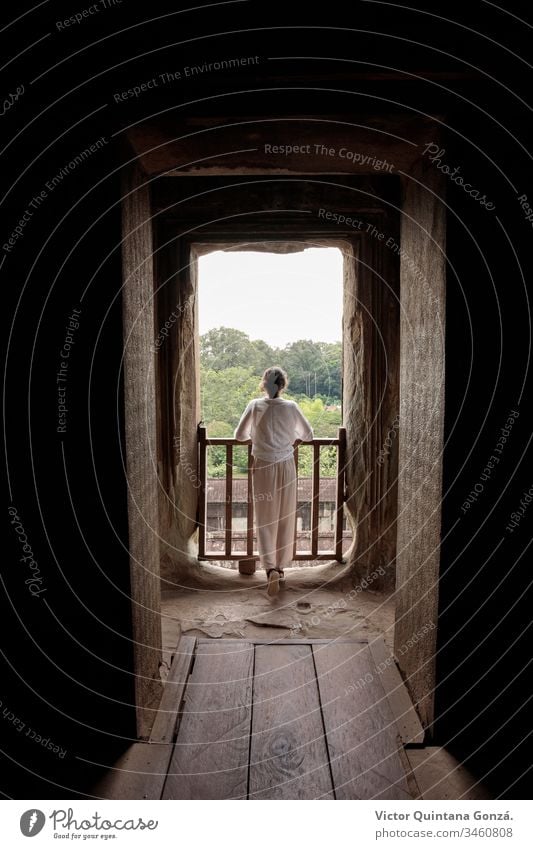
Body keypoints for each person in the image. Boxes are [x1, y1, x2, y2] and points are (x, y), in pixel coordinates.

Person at [234, 366, 314, 597]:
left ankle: (269, 569)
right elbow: (309, 435)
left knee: (265, 517)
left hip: (263, 465)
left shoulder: (255, 405)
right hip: (286, 465)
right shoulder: (291, 407)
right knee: (285, 516)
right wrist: (288, 437)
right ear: (283, 385)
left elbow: (239, 436)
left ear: (264, 384)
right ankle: (280, 566)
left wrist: (259, 440)